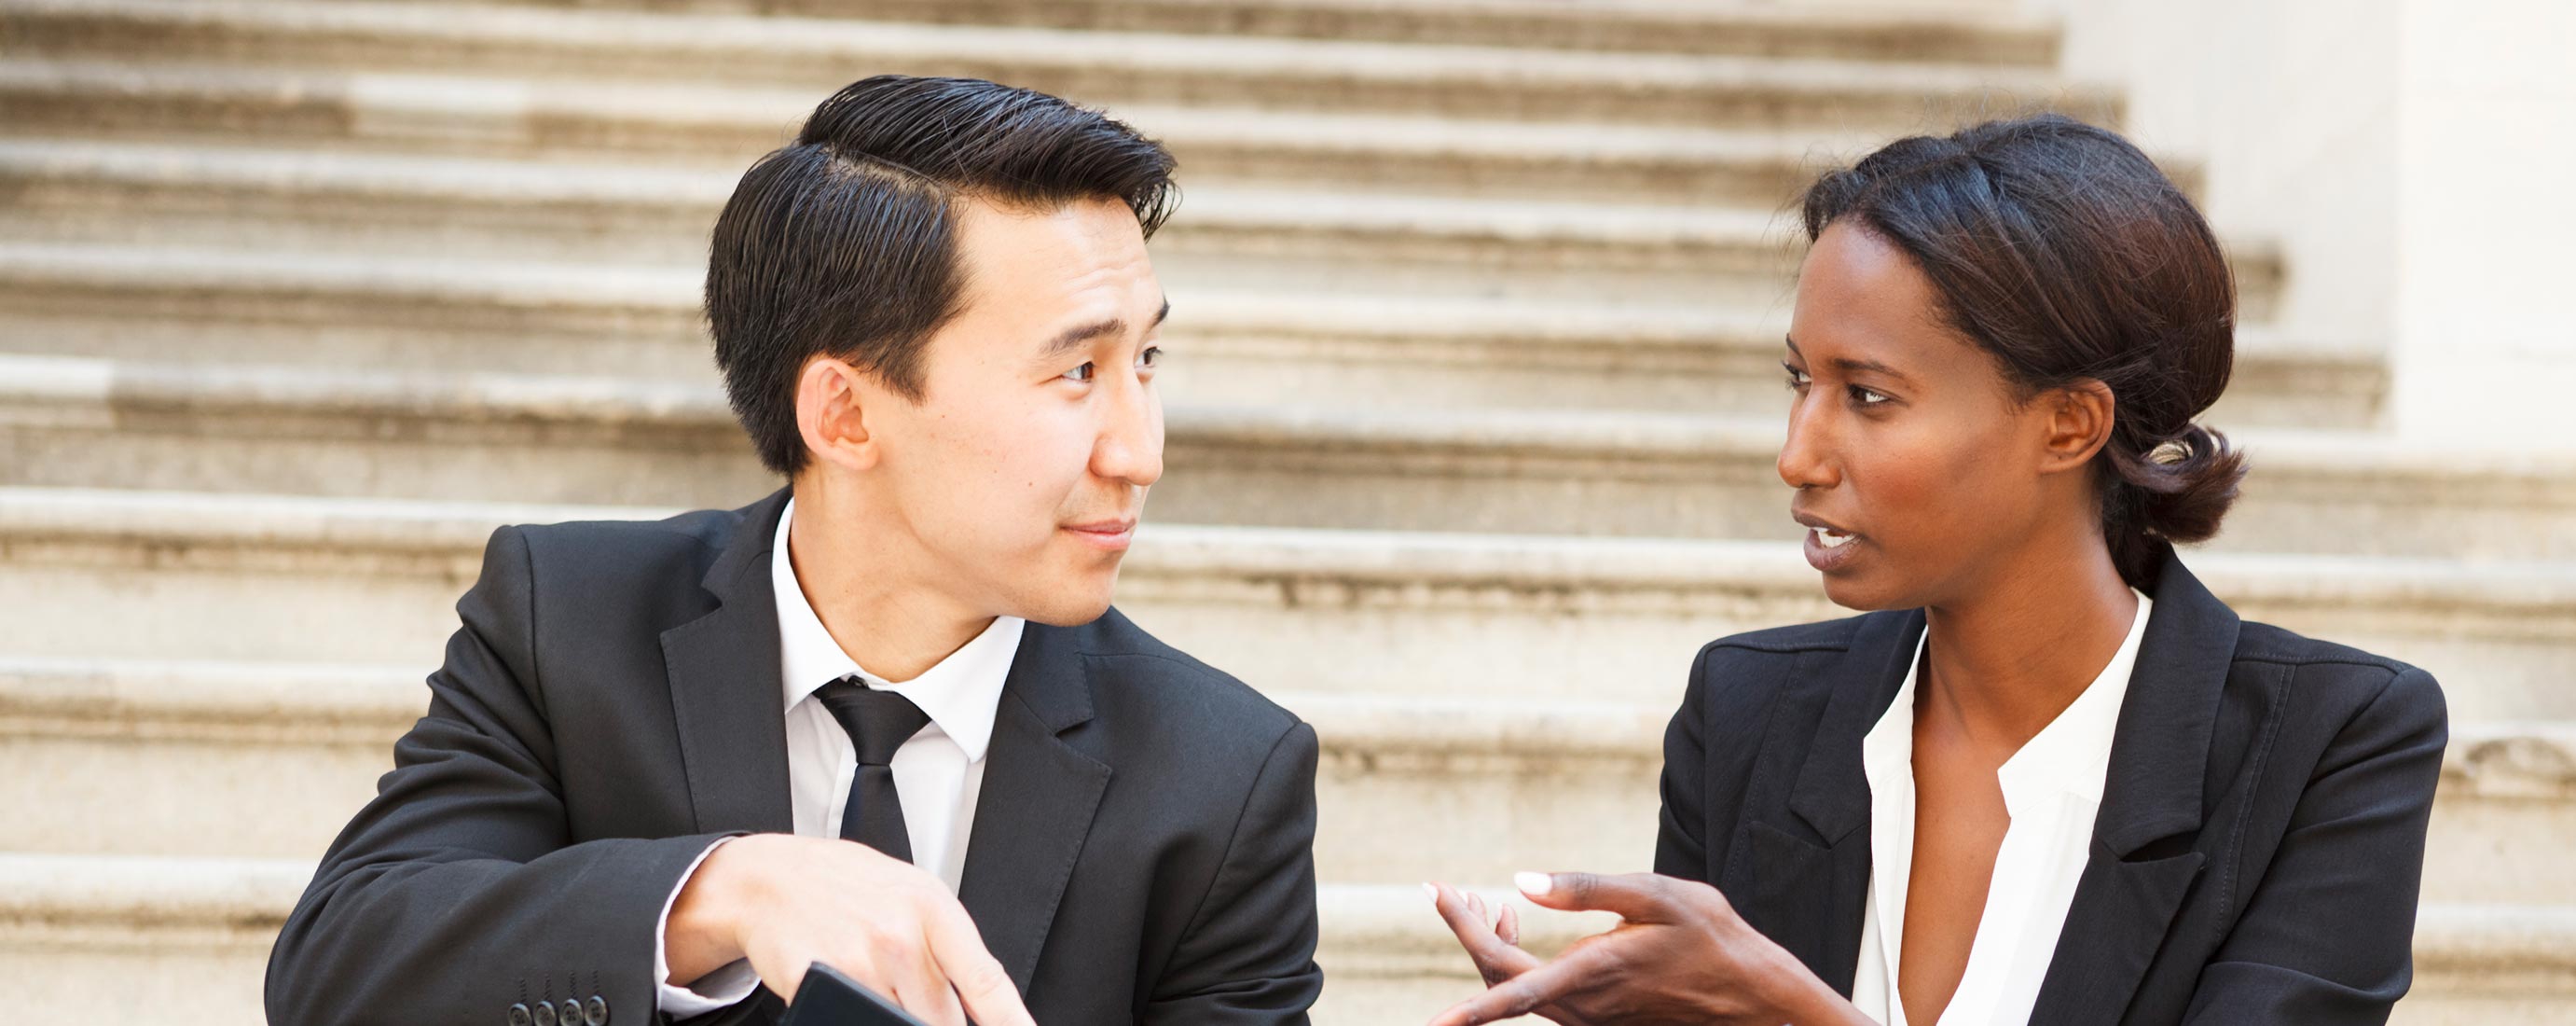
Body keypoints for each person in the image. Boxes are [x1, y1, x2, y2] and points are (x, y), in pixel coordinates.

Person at [264, 76, 1321, 1026]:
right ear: (847, 414)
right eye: (1078, 373)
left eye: (1146, 356)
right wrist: (724, 892)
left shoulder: (1223, 775)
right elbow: (343, 968)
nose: (1141, 451)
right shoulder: (565, 620)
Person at [1425, 115, 2447, 1026]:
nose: (1798, 453)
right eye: (1801, 379)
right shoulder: (1747, 713)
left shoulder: (2330, 743)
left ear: (2069, 423)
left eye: (1867, 395)